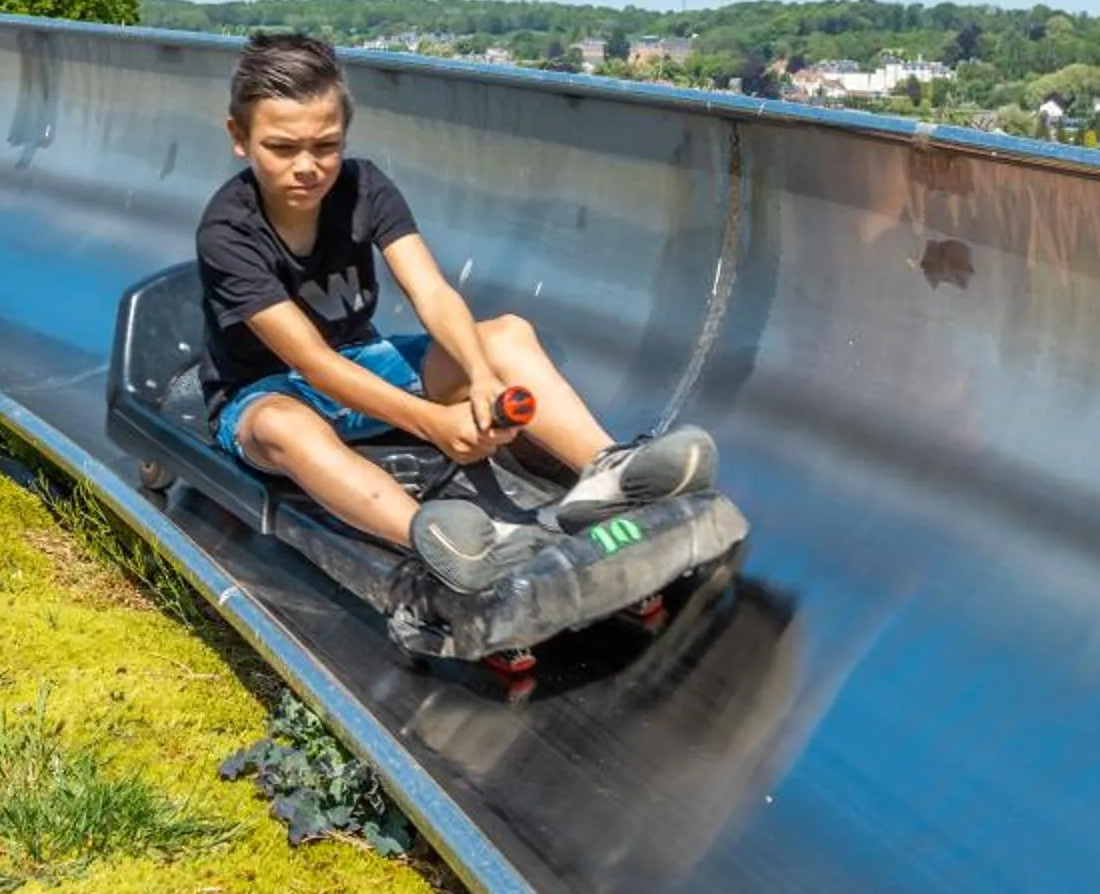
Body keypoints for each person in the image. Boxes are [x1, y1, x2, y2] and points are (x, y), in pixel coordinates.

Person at [195, 33, 717, 595]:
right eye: (282, 148)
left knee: (506, 335)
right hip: (269, 391)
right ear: (240, 139)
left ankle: (607, 473)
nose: (307, 168)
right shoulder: (228, 231)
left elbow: (434, 295)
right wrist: (437, 425)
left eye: (325, 146)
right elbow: (315, 366)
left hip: (364, 365)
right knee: (285, 427)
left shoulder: (364, 186)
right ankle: (431, 539)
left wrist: (483, 376)